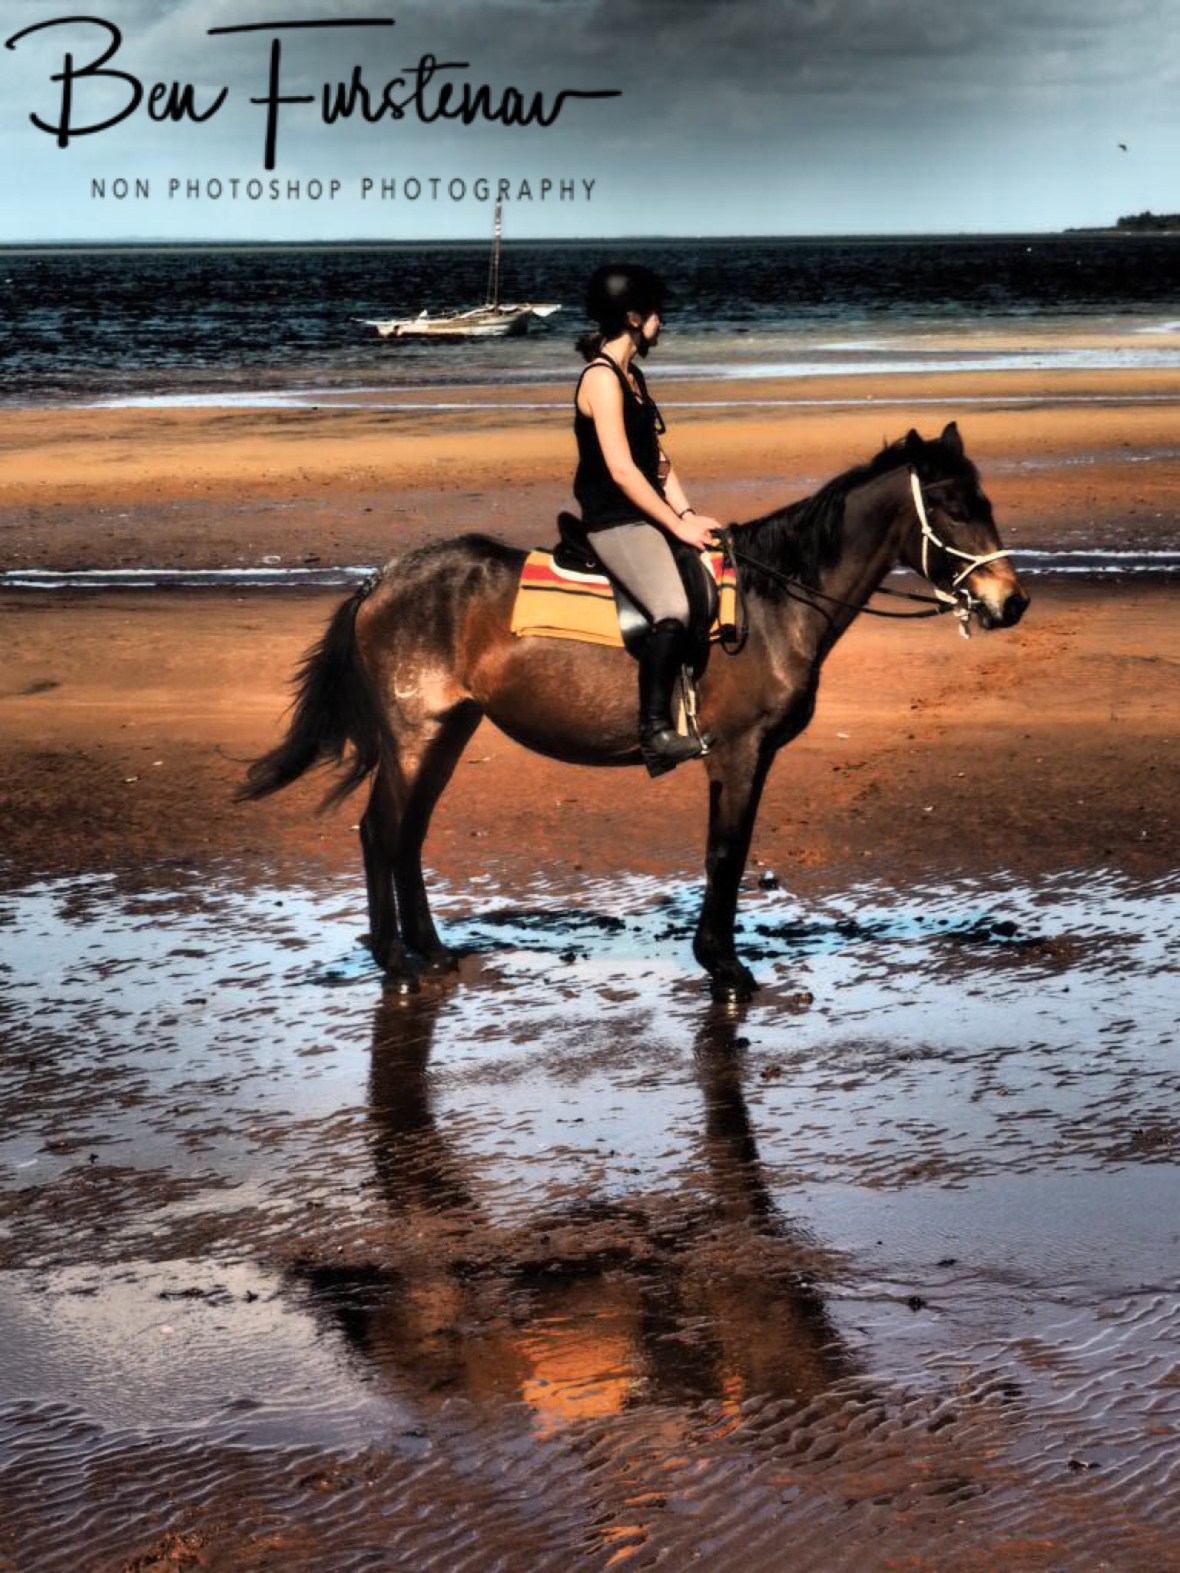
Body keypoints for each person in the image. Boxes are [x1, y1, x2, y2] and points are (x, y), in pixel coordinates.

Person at [572, 263, 724, 776]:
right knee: (673, 609)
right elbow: (621, 471)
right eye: (657, 312)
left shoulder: (633, 377)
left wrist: (688, 514)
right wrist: (676, 527)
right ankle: (655, 732)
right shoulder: (601, 379)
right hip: (615, 521)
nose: (663, 321)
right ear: (634, 317)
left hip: (648, 515)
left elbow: (657, 463)